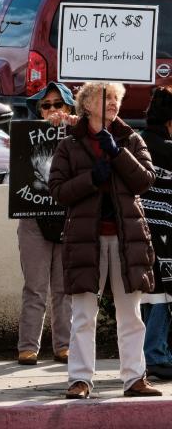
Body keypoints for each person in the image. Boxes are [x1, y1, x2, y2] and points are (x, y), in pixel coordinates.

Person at [50, 82, 159, 399]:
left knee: (131, 314)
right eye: (106, 97)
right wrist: (90, 180)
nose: (113, 103)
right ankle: (80, 379)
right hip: (87, 239)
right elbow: (58, 191)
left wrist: (118, 152)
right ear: (86, 104)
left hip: (127, 240)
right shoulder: (70, 145)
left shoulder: (130, 139)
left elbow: (145, 181)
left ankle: (135, 378)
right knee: (83, 314)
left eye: (116, 98)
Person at [16, 82, 77, 366]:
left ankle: (64, 346)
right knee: (35, 287)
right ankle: (28, 346)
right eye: (46, 105)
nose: (53, 110)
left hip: (68, 217)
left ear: (69, 107)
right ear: (38, 109)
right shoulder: (24, 136)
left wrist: (75, 127)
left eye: (58, 104)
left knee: (64, 288)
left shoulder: (78, 135)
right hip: (33, 220)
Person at [140, 86, 172, 381]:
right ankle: (157, 354)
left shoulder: (140, 142)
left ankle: (150, 352)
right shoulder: (165, 147)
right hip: (162, 230)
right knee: (162, 292)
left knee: (149, 293)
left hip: (140, 227)